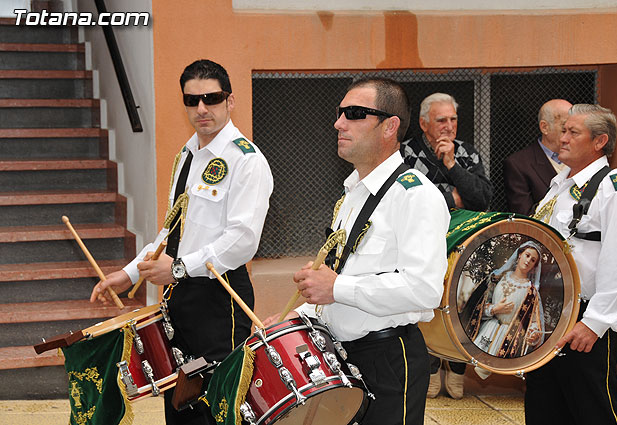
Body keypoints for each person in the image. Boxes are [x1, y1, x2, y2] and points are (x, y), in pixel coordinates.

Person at [90, 59, 273, 425]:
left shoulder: (245, 160)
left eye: (211, 98)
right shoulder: (187, 156)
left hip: (219, 300)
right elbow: (171, 231)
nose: (202, 109)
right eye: (192, 101)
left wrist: (176, 268)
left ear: (230, 101)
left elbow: (242, 240)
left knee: (218, 405)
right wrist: (129, 274)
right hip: (178, 299)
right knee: (180, 403)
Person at [269, 78, 449, 425]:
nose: (339, 123)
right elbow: (343, 276)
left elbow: (425, 290)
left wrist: (335, 287)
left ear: (389, 126)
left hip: (388, 358)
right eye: (340, 113)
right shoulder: (353, 194)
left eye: (354, 114)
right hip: (343, 355)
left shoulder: (415, 195)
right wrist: (299, 315)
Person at [526, 104, 617, 425]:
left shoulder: (616, 191)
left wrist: (595, 323)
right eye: (562, 131)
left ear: (599, 141)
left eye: (573, 132)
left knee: (594, 411)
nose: (563, 138)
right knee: (545, 408)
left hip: (583, 320)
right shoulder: (559, 185)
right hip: (545, 317)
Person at [400, 92, 493, 398]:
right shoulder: (406, 153)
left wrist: (453, 165)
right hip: (423, 241)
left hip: (464, 242)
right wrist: (451, 198)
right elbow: (403, 200)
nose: (449, 126)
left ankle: (456, 368)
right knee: (426, 303)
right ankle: (428, 367)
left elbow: (483, 198)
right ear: (424, 123)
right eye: (441, 120)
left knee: (461, 302)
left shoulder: (466, 152)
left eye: (453, 119)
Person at [464, 241, 544, 358]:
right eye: (527, 255)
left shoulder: (531, 291)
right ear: (520, 255)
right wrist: (494, 309)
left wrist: (533, 333)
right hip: (487, 328)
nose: (528, 261)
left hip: (508, 338)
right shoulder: (498, 277)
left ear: (534, 267)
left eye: (533, 260)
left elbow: (534, 321)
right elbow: (479, 304)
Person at [503, 99, 572, 215]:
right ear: (544, 127)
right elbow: (525, 216)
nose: (569, 137)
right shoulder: (519, 164)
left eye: (574, 131)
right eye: (564, 130)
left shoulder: (581, 158)